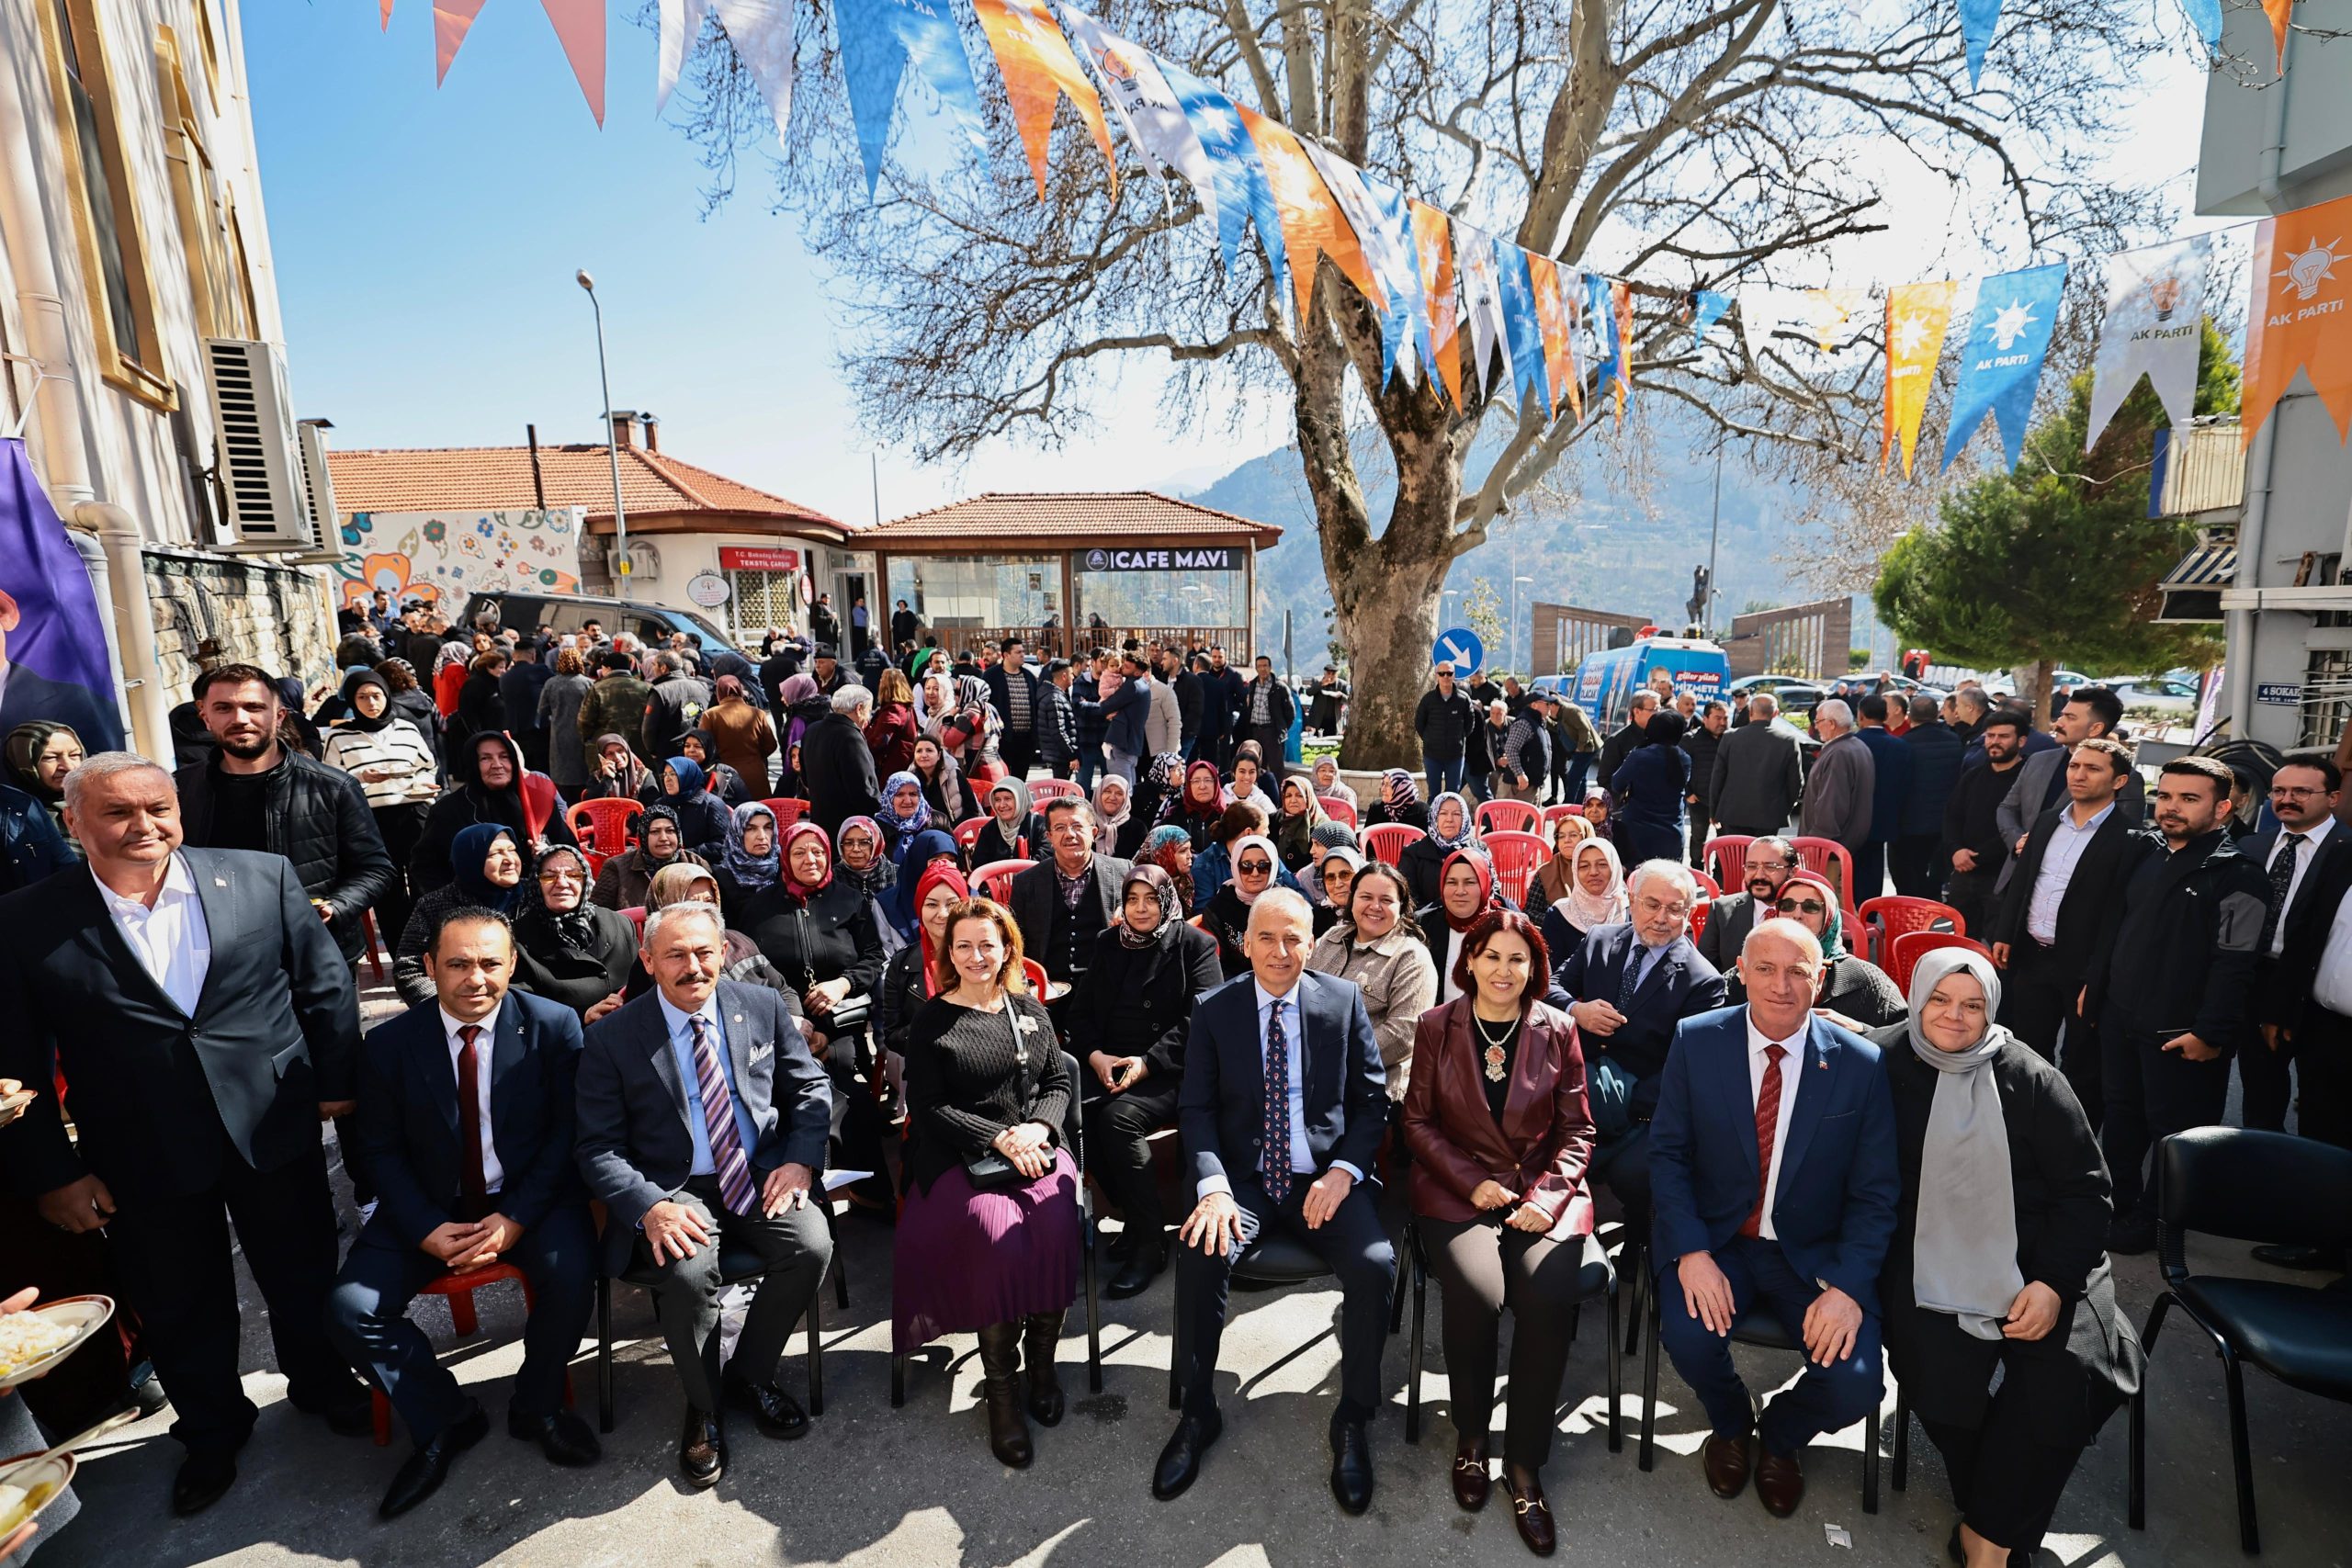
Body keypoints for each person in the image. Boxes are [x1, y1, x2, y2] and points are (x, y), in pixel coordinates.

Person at [0, 754, 372, 1516]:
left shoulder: (260, 876)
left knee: (302, 1269)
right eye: (119, 812)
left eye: (158, 808)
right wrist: (54, 1174)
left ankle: (325, 1385)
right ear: (74, 821)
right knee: (177, 1298)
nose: (145, 826)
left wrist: (337, 1083)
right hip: (138, 1148)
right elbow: (13, 1062)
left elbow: (324, 983)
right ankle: (211, 1428)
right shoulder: (24, 919)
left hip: (270, 1122)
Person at [1867, 950, 2140, 1568]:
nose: (1955, 1016)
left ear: (1992, 1008)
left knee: (2068, 1373)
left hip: (2043, 1251)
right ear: (1917, 998)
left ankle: (1985, 1540)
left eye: (1973, 1004)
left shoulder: (2033, 1077)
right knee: (1937, 1376)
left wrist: (2052, 1282)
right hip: (1928, 1250)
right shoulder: (1880, 1061)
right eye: (1939, 999)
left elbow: (2086, 1192)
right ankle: (2002, 1513)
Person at [328, 908, 602, 1517]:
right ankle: (445, 1417)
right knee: (349, 1309)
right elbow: (377, 1148)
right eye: (456, 963)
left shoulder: (553, 1026)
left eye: (488, 962)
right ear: (428, 967)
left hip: (527, 1198)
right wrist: (425, 1226)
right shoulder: (390, 1044)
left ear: (510, 964)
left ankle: (539, 1405)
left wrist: (516, 1219)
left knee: (573, 1270)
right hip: (426, 1207)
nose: (474, 978)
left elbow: (566, 1135)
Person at [576, 901, 835, 1488]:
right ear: (648, 960)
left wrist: (798, 1161)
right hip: (673, 1186)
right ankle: (704, 1404)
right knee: (690, 1275)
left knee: (811, 1245)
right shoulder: (614, 1037)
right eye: (675, 955)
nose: (693, 967)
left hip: (760, 1170)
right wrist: (649, 1207)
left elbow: (812, 1089)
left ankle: (749, 1375)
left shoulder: (762, 1006)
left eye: (703, 952)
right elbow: (596, 1147)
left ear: (723, 953)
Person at [1154, 888, 1396, 1512]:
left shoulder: (1340, 1002)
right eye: (1267, 937)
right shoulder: (1215, 1008)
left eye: (1294, 937)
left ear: (1312, 941)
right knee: (1201, 1250)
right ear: (1245, 942)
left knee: (1374, 1264)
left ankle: (1353, 1415)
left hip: (1325, 1178)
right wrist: (1211, 1187)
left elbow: (1372, 1103)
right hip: (1246, 1180)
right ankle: (1198, 1410)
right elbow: (1196, 1110)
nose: (1281, 951)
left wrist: (1344, 1170)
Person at [1648, 918, 1899, 1518]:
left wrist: (1846, 1288)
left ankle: (1781, 1435)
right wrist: (1691, 1251)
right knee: (1686, 1332)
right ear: (1741, 969)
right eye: (1765, 967)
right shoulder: (1697, 1039)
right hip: (1720, 1239)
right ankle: (1732, 1422)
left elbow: (1875, 1193)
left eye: (1798, 971)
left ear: (1822, 978)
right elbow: (1668, 1155)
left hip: (1811, 1253)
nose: (1781, 985)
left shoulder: (1860, 1064)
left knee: (1858, 1380)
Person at [1401, 908, 1592, 1553]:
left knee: (1544, 1297)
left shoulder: (1559, 1028)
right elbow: (1417, 1121)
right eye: (1492, 956)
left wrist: (1546, 1196)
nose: (1504, 970)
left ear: (1534, 965)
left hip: (1544, 1191)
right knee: (1479, 1294)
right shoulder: (1437, 1025)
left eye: (1518, 958)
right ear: (1470, 960)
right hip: (1458, 1191)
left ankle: (1526, 1464)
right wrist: (1469, 1180)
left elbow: (1578, 1131)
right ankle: (1473, 1437)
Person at [895, 897, 1082, 1466]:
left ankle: (1042, 1366)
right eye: (964, 946)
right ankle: (1002, 1391)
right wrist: (997, 1138)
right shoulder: (932, 1019)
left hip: (1037, 1146)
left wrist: (1039, 1129)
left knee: (1054, 1226)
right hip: (959, 1157)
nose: (977, 956)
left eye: (987, 944)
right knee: (998, 1237)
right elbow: (927, 1109)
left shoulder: (1028, 1009)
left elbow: (1057, 1081)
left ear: (1007, 949)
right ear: (948, 953)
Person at [2086, 757, 2265, 1254]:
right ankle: (2120, 1209)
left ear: (2223, 807)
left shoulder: (2242, 876)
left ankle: (2157, 1223)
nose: (2171, 808)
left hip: (2180, 1033)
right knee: (2121, 1120)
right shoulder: (2146, 853)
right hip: (2121, 1020)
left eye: (2189, 799)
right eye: (2165, 796)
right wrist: (2096, 991)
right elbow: (2113, 931)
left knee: (2173, 1135)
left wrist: (2210, 1032)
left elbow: (2236, 963)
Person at [174, 663, 397, 971]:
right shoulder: (180, 790)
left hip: (316, 955)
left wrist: (335, 908)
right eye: (224, 708)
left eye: (254, 707)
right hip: (222, 959)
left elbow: (375, 868)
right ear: (205, 717)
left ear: (278, 716)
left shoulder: (333, 786)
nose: (240, 719)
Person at [1072, 864, 1223, 1298]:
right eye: (1132, 899)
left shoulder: (1194, 946)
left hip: (1173, 1070)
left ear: (1166, 900)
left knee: (1118, 1119)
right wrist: (1097, 1056)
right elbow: (1080, 1014)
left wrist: (1148, 1062)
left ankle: (1151, 1240)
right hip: (1111, 1066)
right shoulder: (1108, 943)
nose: (1140, 908)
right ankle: (1139, 1220)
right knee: (1075, 1112)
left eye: (1151, 899)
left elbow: (1202, 1018)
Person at [1554, 860, 1726, 1227]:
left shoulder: (1703, 981)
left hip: (1643, 1109)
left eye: (1674, 908)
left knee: (1636, 1177)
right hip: (1573, 1088)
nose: (1661, 917)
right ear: (1631, 901)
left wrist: (1620, 1099)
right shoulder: (1600, 938)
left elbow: (1688, 1068)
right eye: (1651, 904)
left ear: (1689, 912)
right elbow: (1548, 988)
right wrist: (1577, 1009)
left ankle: (1640, 1240)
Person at [1989, 737, 2143, 1118]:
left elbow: (2119, 915)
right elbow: (2024, 883)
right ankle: (2026, 1128)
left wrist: (2100, 974)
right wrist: (2006, 934)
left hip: (2085, 969)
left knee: (2082, 1062)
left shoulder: (2131, 840)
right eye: (2075, 765)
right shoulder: (2046, 822)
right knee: (2027, 1051)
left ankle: (2075, 1140)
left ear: (2119, 781)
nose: (2079, 774)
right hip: (2032, 955)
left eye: (2093, 768)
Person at [2241, 755, 2347, 1135]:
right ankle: (2262, 1168)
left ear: (2333, 797)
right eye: (2280, 791)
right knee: (2259, 1091)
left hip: (2316, 991)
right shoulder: (2251, 846)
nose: (2287, 799)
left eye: (2302, 791)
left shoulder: (2346, 850)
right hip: (2255, 980)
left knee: (2322, 1100)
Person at [320, 669, 439, 945]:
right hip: (370, 819)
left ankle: (431, 943)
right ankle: (402, 950)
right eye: (362, 697)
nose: (371, 703)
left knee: (425, 879)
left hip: (413, 811)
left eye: (376, 695)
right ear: (352, 700)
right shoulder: (339, 737)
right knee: (387, 887)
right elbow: (331, 781)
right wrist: (362, 779)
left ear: (386, 696)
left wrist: (422, 784)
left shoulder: (406, 729)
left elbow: (427, 766)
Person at [1308, 859, 1441, 1102]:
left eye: (1387, 900)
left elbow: (1401, 1036)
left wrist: (1330, 1055)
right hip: (1312, 1078)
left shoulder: (1411, 958)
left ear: (1402, 907)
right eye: (1366, 897)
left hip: (1371, 1092)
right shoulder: (1331, 939)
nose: (1375, 906)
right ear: (1353, 899)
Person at [1996, 689, 2147, 885]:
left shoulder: (2124, 778)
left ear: (2095, 728)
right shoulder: (2038, 760)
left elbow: (2122, 838)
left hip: (2073, 887)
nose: (2058, 723)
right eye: (2062, 715)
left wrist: (2045, 846)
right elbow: (2007, 808)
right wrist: (2018, 842)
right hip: (2015, 877)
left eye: (2070, 717)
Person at [1737, 868, 1908, 1031]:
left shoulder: (1867, 980)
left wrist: (1861, 1030)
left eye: (1810, 907)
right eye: (1787, 905)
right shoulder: (1748, 969)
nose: (1796, 914)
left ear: (1829, 917)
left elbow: (1905, 1034)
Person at [411, 731, 574, 897]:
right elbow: (425, 867)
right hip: (473, 910)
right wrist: (454, 906)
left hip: (537, 902)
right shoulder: (448, 810)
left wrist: (550, 854)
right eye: (485, 758)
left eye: (504, 757)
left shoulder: (539, 800)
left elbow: (572, 852)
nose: (497, 765)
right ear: (472, 764)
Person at [396, 825, 529, 1006]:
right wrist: (449, 1007)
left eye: (512, 850)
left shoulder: (535, 896)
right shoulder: (435, 905)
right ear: (470, 859)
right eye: (494, 854)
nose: (509, 860)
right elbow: (410, 969)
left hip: (529, 1004)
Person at [1010, 798, 1134, 987]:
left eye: (1077, 826)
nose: (1069, 834)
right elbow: (1016, 942)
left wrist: (1128, 918)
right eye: (1060, 827)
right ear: (1049, 837)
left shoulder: (1122, 871)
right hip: (1048, 986)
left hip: (1106, 983)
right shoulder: (1026, 882)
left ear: (1093, 833)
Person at [510, 845, 637, 1017]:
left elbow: (643, 981)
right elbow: (521, 1008)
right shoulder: (518, 938)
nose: (562, 883)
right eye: (549, 877)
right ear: (536, 884)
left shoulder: (619, 924)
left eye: (573, 875)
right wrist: (583, 1016)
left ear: (585, 881)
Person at [1941, 710, 2029, 936]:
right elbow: (1952, 817)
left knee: (1998, 946)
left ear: (2021, 741)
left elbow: (2024, 826)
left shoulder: (2029, 779)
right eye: (1990, 736)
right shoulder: (1973, 776)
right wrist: (1956, 850)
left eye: (2003, 736)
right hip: (1963, 873)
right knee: (1961, 944)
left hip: (2002, 876)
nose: (1994, 742)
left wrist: (1977, 858)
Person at [1891, 696, 1963, 897]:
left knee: (1909, 876)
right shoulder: (1954, 741)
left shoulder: (1903, 744)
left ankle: (1910, 916)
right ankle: (1931, 911)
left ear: (1910, 716)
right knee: (1936, 875)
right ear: (1936, 714)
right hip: (1943, 822)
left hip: (1909, 824)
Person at [1694, 835, 1799, 974]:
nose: (1759, 875)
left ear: (1792, 872)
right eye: (1751, 866)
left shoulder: (1810, 911)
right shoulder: (1722, 911)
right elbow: (1703, 970)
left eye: (1770, 867)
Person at [1710, 694, 1806, 837]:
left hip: (1734, 812)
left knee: (1737, 857)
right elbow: (1796, 782)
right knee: (1764, 857)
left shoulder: (1730, 737)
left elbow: (1718, 776)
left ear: (1750, 712)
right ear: (1776, 713)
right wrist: (1785, 807)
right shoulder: (1788, 741)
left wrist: (1714, 810)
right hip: (1770, 814)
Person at [1420, 848, 1507, 1002]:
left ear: (1485, 885)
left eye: (1470, 882)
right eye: (1452, 882)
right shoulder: (1422, 927)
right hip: (1438, 1024)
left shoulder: (1508, 927)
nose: (1460, 891)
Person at [589, 801, 709, 912]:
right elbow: (599, 913)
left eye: (670, 831)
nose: (663, 838)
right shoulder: (617, 868)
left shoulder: (696, 864)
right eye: (655, 832)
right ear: (644, 837)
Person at [1850, 694, 1913, 902]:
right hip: (1885, 818)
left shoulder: (1851, 745)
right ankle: (1869, 913)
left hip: (1853, 821)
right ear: (1886, 715)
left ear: (1860, 716)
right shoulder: (1900, 747)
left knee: (1852, 873)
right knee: (1874, 870)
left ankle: (1853, 917)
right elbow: (1906, 785)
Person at [1611, 710, 1692, 865]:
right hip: (1672, 834)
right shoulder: (1684, 758)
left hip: (1637, 833)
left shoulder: (1640, 756)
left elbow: (1617, 783)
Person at [1538, 833, 1629, 966]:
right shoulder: (1559, 915)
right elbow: (1551, 971)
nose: (1593, 872)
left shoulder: (1629, 911)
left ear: (1615, 869)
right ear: (1575, 871)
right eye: (1584, 866)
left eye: (1602, 864)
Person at [1202, 831, 1282, 977]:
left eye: (1263, 865)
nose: (1255, 873)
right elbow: (1216, 966)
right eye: (1246, 866)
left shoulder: (1287, 904)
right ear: (1235, 867)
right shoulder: (1217, 909)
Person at [4, 719, 84, 844]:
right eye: (50, 757)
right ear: (23, 761)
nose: (69, 767)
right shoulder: (10, 821)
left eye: (74, 755)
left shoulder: (99, 806)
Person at [709, 801, 783, 925]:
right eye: (751, 829)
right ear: (737, 833)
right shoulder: (722, 877)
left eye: (767, 827)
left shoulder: (785, 868)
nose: (762, 836)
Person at [1402, 790, 1478, 908]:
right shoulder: (1413, 854)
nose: (1449, 819)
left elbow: (1491, 891)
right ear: (1434, 817)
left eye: (1457, 814)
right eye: (1443, 813)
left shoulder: (1478, 851)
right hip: (1427, 921)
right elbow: (1408, 899)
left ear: (1465, 819)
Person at [704, 674, 779, 792]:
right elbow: (771, 745)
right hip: (755, 773)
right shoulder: (758, 713)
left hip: (725, 775)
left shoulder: (710, 715)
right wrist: (755, 757)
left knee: (729, 809)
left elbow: (704, 746)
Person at [1415, 662, 1476, 800]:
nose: (1445, 677)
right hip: (1432, 756)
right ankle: (1432, 821)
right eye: (1442, 673)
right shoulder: (1428, 700)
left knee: (1453, 795)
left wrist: (1459, 738)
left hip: (1455, 756)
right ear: (1437, 675)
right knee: (1434, 795)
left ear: (1454, 675)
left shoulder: (1463, 699)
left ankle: (1452, 821)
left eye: (1449, 673)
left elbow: (1470, 725)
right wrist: (1430, 739)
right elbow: (1419, 724)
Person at [639, 651, 712, 765]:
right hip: (699, 750)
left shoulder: (660, 691)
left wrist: (652, 750)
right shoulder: (701, 685)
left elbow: (649, 728)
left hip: (670, 753)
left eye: (654, 665)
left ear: (663, 668)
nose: (652, 669)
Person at [983, 637, 1042, 780]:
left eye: (1023, 652)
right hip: (1003, 739)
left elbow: (1035, 704)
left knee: (1020, 779)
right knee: (1003, 779)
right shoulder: (992, 675)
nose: (1023, 655)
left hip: (1026, 739)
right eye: (1018, 652)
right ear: (1006, 655)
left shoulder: (1028, 676)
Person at [658, 756, 735, 860]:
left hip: (702, 866)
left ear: (687, 776)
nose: (667, 779)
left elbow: (722, 844)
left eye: (673, 774)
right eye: (665, 774)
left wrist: (686, 855)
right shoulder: (660, 805)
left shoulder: (711, 804)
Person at [1681, 701, 1728, 865]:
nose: (1722, 723)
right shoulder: (1690, 740)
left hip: (1724, 801)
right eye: (1717, 718)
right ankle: (1696, 870)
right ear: (1705, 718)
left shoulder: (1730, 739)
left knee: (1725, 841)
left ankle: (1720, 876)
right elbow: (1678, 769)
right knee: (1698, 837)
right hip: (1699, 799)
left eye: (1725, 718)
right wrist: (1688, 794)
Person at [499, 638, 554, 774]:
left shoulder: (505, 677)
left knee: (522, 769)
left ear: (514, 656)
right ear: (533, 655)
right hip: (537, 729)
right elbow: (555, 686)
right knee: (540, 771)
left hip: (514, 729)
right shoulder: (540, 670)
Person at [1595, 691, 1658, 795]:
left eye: (1660, 709)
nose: (1658, 713)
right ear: (1637, 711)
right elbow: (1604, 780)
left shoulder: (1661, 737)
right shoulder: (1616, 741)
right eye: (1654, 709)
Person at [1498, 692, 1554, 804]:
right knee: (1514, 820)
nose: (1550, 707)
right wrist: (1520, 774)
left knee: (1529, 820)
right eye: (1547, 704)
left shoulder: (1538, 723)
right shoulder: (1524, 722)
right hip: (1519, 787)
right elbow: (1511, 749)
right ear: (1534, 705)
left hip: (1532, 785)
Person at [972, 775, 1041, 866]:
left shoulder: (1039, 826)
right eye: (997, 800)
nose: (1002, 805)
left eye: (1008, 799)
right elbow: (978, 866)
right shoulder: (989, 830)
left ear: (1020, 799)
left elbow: (1045, 864)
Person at [1236, 655, 1293, 765]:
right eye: (1260, 666)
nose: (1263, 669)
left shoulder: (1279, 687)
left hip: (1272, 732)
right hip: (1255, 731)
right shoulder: (1252, 685)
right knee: (1258, 765)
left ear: (1270, 667)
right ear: (1256, 668)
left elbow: (1290, 713)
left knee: (1276, 766)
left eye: (1265, 666)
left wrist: (1281, 728)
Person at [1528, 813, 1593, 908]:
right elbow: (1530, 911)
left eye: (1573, 835)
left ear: (1586, 837)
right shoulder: (1546, 872)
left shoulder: (1599, 869)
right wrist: (1557, 920)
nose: (1566, 840)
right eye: (1561, 836)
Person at [1166, 759, 1228, 848]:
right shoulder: (1175, 814)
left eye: (1208, 780)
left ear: (1216, 783)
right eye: (1196, 781)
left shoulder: (1227, 815)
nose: (1202, 786)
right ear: (1188, 785)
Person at [910, 734, 969, 827]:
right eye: (919, 751)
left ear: (939, 755)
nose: (924, 755)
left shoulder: (953, 774)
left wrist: (951, 830)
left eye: (929, 750)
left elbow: (972, 810)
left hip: (954, 829)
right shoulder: (910, 778)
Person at [1273, 774, 1329, 873]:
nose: (1293, 800)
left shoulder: (1322, 825)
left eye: (1299, 795)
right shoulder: (1276, 819)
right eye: (1288, 796)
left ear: (1308, 797)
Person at [1036, 659, 1080, 780]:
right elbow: (1058, 731)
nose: (1073, 677)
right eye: (1071, 674)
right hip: (1060, 756)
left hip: (1058, 755)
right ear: (1064, 676)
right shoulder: (1055, 699)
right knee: (1061, 793)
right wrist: (1071, 755)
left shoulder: (1055, 695)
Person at [1365, 767, 1429, 831]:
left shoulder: (1421, 812)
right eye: (1383, 784)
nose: (1382, 790)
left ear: (1401, 788)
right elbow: (1365, 838)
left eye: (1387, 785)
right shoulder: (1376, 808)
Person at [1093, 773, 1139, 862]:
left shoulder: (1137, 828)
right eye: (1107, 791)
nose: (1112, 797)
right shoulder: (1086, 824)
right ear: (1098, 794)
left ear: (1125, 798)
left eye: (1119, 793)